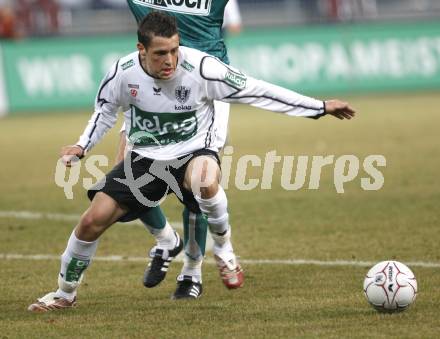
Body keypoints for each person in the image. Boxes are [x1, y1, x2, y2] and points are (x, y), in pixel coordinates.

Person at [28, 11, 355, 311]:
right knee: (91, 221)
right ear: (141, 49)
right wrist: (82, 146)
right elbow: (104, 111)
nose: (169, 60)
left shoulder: (202, 68)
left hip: (194, 151)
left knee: (205, 180)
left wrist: (318, 107)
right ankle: (64, 294)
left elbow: (259, 91)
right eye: (160, 53)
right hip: (147, 157)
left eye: (174, 50)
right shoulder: (122, 73)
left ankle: (224, 250)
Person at [120, 0, 243, 292]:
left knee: (198, 183)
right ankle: (165, 239)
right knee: (127, 176)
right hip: (153, 84)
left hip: (204, 85)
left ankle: (194, 270)